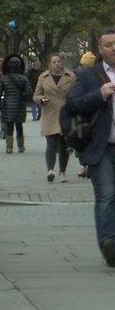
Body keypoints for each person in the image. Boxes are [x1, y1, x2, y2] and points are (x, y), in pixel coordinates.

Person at [65, 29, 115, 267]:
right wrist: (99, 94)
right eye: (108, 45)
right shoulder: (89, 77)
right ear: (100, 49)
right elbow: (73, 106)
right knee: (106, 196)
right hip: (102, 148)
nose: (113, 48)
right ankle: (108, 244)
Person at [33, 54, 75, 182]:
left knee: (64, 145)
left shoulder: (71, 76)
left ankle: (62, 173)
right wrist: (41, 99)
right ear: (49, 64)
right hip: (49, 113)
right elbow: (36, 95)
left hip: (65, 114)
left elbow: (77, 93)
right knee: (51, 144)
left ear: (62, 63)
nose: (57, 64)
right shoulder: (43, 77)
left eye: (58, 61)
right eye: (54, 62)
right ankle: (50, 170)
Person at [0, 54, 30, 154]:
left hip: (7, 105)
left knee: (9, 127)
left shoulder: (3, 78)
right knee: (19, 126)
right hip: (19, 105)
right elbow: (28, 93)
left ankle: (9, 147)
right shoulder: (24, 79)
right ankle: (21, 146)